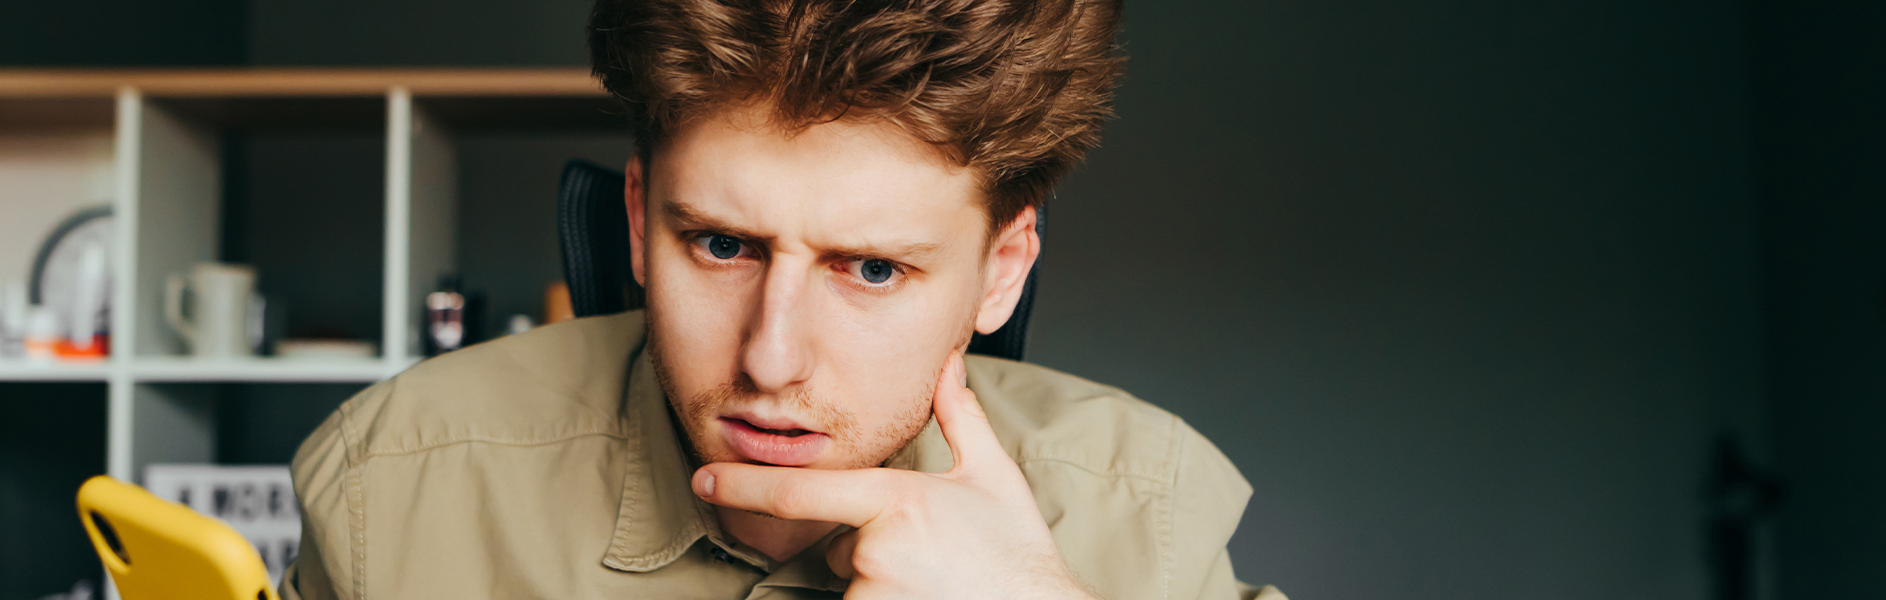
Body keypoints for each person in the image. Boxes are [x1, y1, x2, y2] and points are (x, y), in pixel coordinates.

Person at [280, 0, 1283, 598]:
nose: (771, 360)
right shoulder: (391, 487)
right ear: (637, 220)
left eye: (872, 268)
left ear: (1003, 270)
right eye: (721, 245)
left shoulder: (1146, 515)